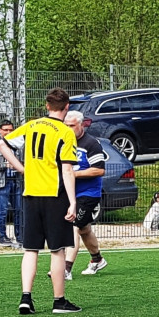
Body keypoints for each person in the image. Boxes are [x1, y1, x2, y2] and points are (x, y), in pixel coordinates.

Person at [0, 87, 84, 315]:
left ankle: (26, 298)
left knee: (31, 249)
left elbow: (1, 144)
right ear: (67, 107)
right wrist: (73, 202)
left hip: (31, 194)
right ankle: (59, 301)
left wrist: (22, 169)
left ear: (47, 106)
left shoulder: (31, 125)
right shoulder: (65, 132)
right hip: (54, 195)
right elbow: (67, 170)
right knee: (57, 250)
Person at [64, 111, 109, 276]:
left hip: (88, 194)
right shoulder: (63, 142)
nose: (69, 129)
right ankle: (97, 259)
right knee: (84, 229)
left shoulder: (91, 144)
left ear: (81, 125)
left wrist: (73, 174)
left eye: (72, 126)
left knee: (74, 226)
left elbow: (99, 170)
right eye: (66, 126)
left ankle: (66, 269)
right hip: (70, 194)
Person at [0, 119, 22, 247]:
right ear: (0, 130)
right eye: (5, 130)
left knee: (19, 210)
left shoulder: (17, 145)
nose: (8, 132)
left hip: (16, 181)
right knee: (2, 211)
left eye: (11, 130)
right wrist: (5, 165)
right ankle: (2, 237)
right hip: (1, 183)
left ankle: (20, 236)